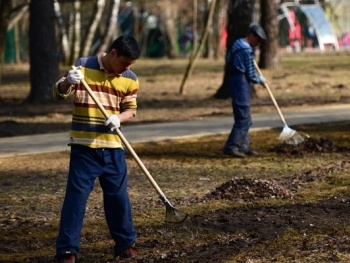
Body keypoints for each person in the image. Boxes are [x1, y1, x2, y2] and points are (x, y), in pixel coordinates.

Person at [52, 36, 141, 263]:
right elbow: (59, 92)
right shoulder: (82, 65)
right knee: (76, 199)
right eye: (125, 62)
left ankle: (125, 244)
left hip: (113, 148)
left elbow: (131, 109)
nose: (127, 67)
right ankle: (67, 250)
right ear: (112, 54)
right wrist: (68, 81)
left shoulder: (130, 79)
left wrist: (119, 118)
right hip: (84, 147)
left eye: (131, 64)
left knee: (118, 199)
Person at [223, 24, 266, 158]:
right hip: (240, 82)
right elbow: (251, 75)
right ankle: (231, 146)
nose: (258, 43)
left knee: (243, 116)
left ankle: (243, 147)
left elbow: (228, 58)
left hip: (233, 79)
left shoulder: (237, 43)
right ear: (251, 35)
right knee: (244, 118)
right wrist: (260, 80)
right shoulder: (246, 51)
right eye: (257, 40)